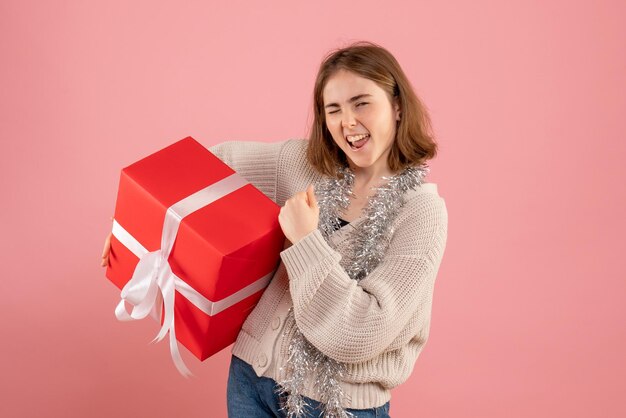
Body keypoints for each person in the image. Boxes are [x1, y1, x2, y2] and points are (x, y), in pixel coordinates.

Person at [101, 41, 448, 418]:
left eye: (361, 103)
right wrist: (138, 229)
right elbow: (205, 168)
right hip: (250, 382)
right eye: (333, 109)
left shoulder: (422, 214)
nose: (347, 122)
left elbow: (361, 332)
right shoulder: (301, 164)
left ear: (397, 105)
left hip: (338, 406)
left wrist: (305, 240)